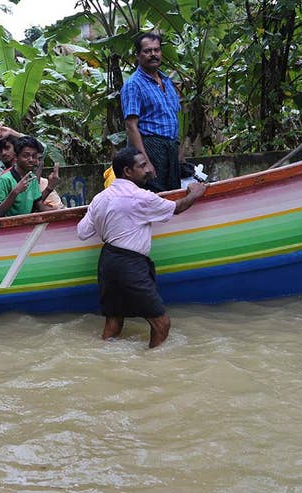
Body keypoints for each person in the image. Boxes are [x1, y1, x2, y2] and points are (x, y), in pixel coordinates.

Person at [77, 146, 206, 348]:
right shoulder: (141, 197)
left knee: (114, 322)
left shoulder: (99, 199)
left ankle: (106, 362)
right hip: (130, 264)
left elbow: (82, 232)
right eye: (143, 165)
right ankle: (153, 369)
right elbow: (177, 208)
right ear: (128, 171)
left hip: (107, 262)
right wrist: (194, 193)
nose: (148, 169)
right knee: (162, 324)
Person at [121, 32, 182, 193]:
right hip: (150, 146)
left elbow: (173, 118)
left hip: (170, 148)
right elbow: (131, 126)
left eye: (156, 50)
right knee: (154, 195)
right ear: (138, 55)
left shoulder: (167, 81)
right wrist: (145, 162)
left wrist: (179, 153)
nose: (153, 54)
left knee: (173, 194)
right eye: (147, 51)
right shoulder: (134, 84)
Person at [0, 136, 61, 217]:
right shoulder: (4, 180)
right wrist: (15, 192)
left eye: (34, 156)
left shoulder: (32, 178)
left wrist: (60, 210)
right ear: (16, 157)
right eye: (26, 155)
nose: (31, 159)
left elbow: (38, 207)